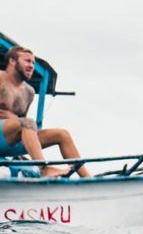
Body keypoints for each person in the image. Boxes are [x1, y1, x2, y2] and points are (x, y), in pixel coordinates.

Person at [0, 46, 91, 177]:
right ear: (12, 61)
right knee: (27, 123)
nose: (31, 65)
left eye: (33, 62)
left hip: (7, 140)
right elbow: (21, 123)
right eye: (27, 61)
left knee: (62, 134)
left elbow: (20, 125)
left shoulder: (29, 92)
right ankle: (44, 169)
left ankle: (87, 179)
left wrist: (20, 155)